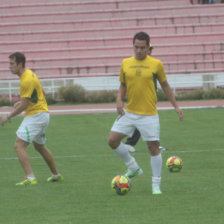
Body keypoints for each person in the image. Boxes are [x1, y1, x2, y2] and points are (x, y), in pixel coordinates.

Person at [107, 32, 184, 195]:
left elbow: (165, 86)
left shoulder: (156, 64)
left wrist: (176, 106)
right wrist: (119, 100)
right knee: (112, 140)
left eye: (142, 48)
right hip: (129, 112)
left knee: (153, 147)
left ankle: (156, 185)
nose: (139, 50)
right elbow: (122, 85)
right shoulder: (125, 63)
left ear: (148, 47)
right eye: (136, 47)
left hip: (149, 114)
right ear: (133, 46)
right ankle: (133, 167)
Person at [1, 52, 64, 186]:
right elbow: (39, 93)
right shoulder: (30, 74)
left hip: (36, 116)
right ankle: (56, 175)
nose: (9, 67)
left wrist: (8, 116)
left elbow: (25, 103)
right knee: (40, 146)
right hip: (41, 114)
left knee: (19, 145)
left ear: (20, 64)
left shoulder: (26, 79)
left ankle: (30, 178)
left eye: (12, 64)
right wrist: (23, 102)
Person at [125, 44, 168, 153]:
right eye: (149, 49)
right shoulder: (137, 63)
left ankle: (132, 144)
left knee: (146, 124)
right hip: (140, 101)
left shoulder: (153, 63)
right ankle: (130, 143)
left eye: (150, 50)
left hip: (149, 100)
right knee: (144, 122)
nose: (150, 52)